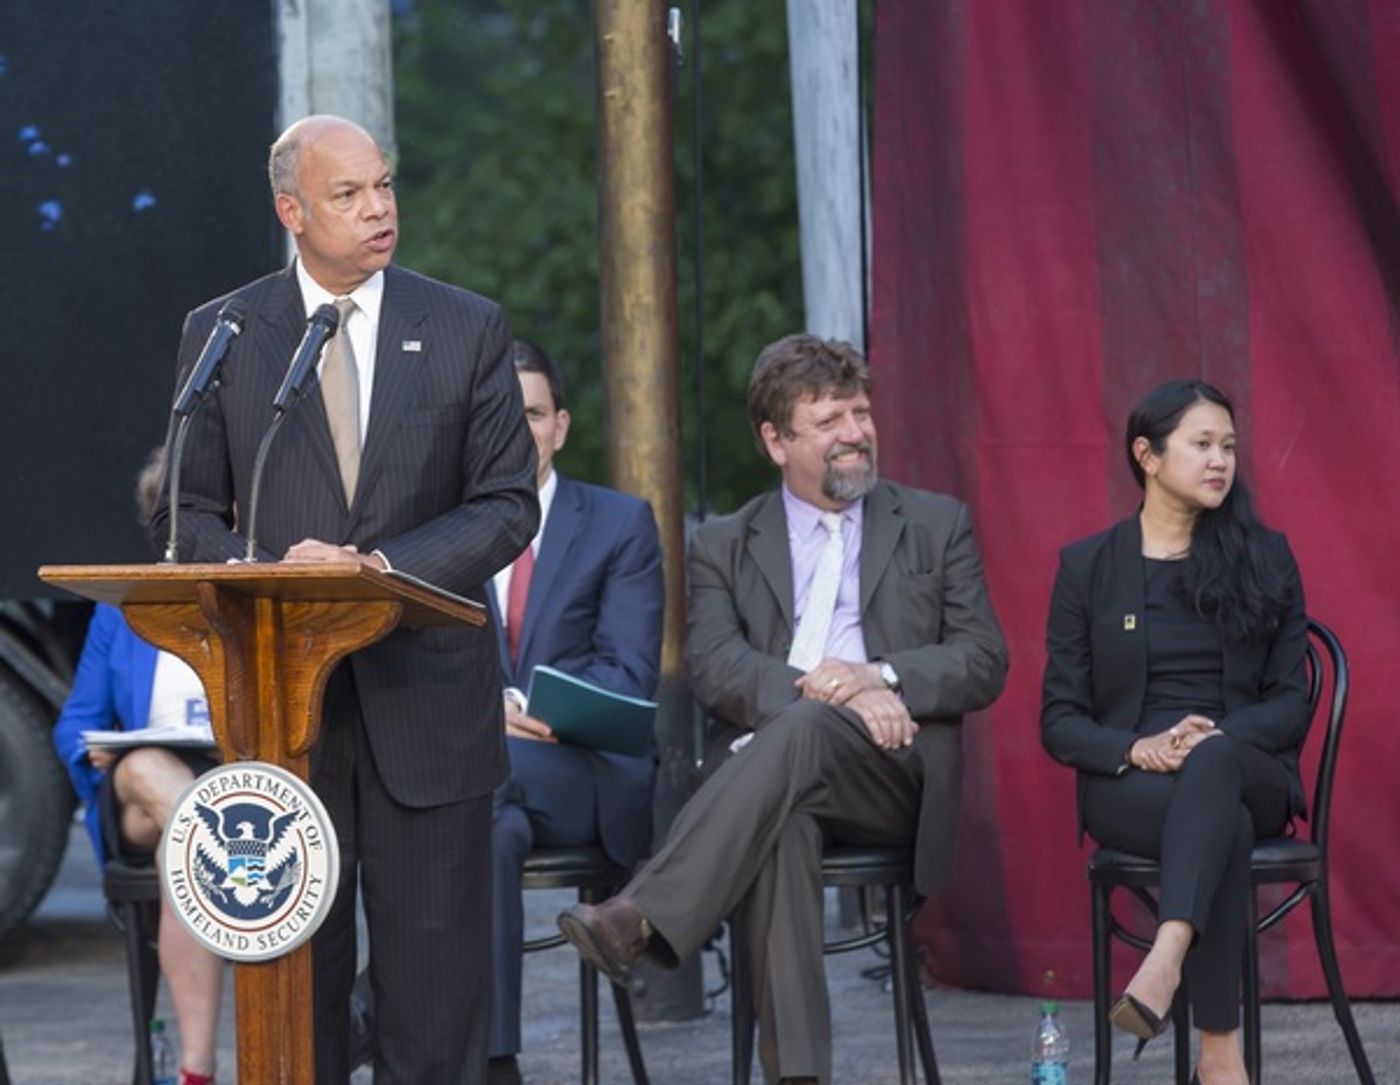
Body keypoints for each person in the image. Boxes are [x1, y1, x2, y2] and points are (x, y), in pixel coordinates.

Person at [150, 115, 539, 1084]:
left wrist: (377, 570)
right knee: (296, 1004)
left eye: (384, 187)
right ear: (291, 211)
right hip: (288, 717)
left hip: (428, 709)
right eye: (348, 194)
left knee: (432, 1009)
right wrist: (286, 570)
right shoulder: (226, 331)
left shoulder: (464, 325)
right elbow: (190, 514)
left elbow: (503, 503)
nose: (378, 210)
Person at [556, 333, 1009, 1085]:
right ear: (775, 439)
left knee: (794, 738)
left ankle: (641, 911)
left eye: (860, 413)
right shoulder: (725, 544)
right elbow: (715, 666)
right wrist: (831, 690)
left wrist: (878, 674)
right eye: (827, 420)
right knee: (781, 826)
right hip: (776, 777)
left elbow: (983, 657)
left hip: (892, 771)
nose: (854, 432)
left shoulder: (934, 523)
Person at [1041, 379, 1309, 1085]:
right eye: (1201, 444)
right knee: (1224, 830)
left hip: (1245, 765)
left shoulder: (1266, 555)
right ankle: (1220, 1057)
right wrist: (1138, 747)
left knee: (1215, 767)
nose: (1221, 459)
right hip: (1133, 783)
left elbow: (1290, 701)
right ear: (1147, 454)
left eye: (1228, 445)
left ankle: (1164, 959)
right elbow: (1060, 720)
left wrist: (1208, 737)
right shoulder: (1087, 567)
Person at [486, 338, 664, 1084]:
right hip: (493, 783)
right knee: (486, 827)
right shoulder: (448, 532)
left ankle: (369, 1013)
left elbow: (625, 670)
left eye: (531, 413)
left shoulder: (620, 523)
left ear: (560, 425)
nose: (518, 429)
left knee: (460, 781)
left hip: (587, 776)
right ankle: (494, 1059)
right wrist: (483, 710)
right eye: (500, 414)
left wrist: (518, 708)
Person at [53, 450, 223, 1085]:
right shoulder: (122, 609)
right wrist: (93, 748)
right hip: (138, 785)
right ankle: (217, 848)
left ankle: (195, 1069)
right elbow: (74, 719)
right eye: (167, 520)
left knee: (183, 851)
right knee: (154, 769)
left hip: (220, 775)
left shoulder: (241, 601)